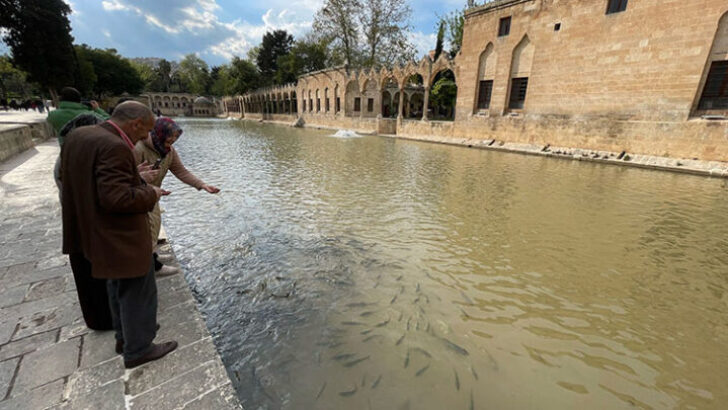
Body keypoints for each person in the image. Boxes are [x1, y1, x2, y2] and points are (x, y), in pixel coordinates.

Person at [61, 101, 177, 369]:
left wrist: (135, 178)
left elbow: (94, 184)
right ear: (136, 123)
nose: (143, 138)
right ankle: (139, 349)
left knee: (116, 288)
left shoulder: (81, 135)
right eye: (144, 131)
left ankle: (124, 339)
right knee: (138, 291)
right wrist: (151, 192)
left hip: (94, 231)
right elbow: (116, 199)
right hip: (120, 236)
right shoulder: (115, 146)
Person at [135, 117, 220, 276]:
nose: (171, 143)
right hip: (139, 196)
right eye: (169, 139)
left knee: (155, 223)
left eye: (174, 140)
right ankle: (153, 267)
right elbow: (125, 177)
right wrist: (144, 182)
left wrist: (201, 185)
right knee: (147, 227)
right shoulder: (138, 148)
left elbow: (181, 171)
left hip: (153, 195)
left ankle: (153, 255)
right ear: (158, 134)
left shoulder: (168, 151)